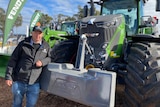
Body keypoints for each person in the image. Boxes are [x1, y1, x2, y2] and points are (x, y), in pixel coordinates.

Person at [5, 26, 51, 107]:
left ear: (42, 34)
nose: (38, 35)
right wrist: (8, 77)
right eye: (36, 33)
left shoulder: (46, 46)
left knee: (31, 105)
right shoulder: (23, 44)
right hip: (19, 81)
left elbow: (50, 58)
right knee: (16, 104)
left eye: (39, 33)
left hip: (34, 83)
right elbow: (13, 60)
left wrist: (43, 62)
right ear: (32, 33)